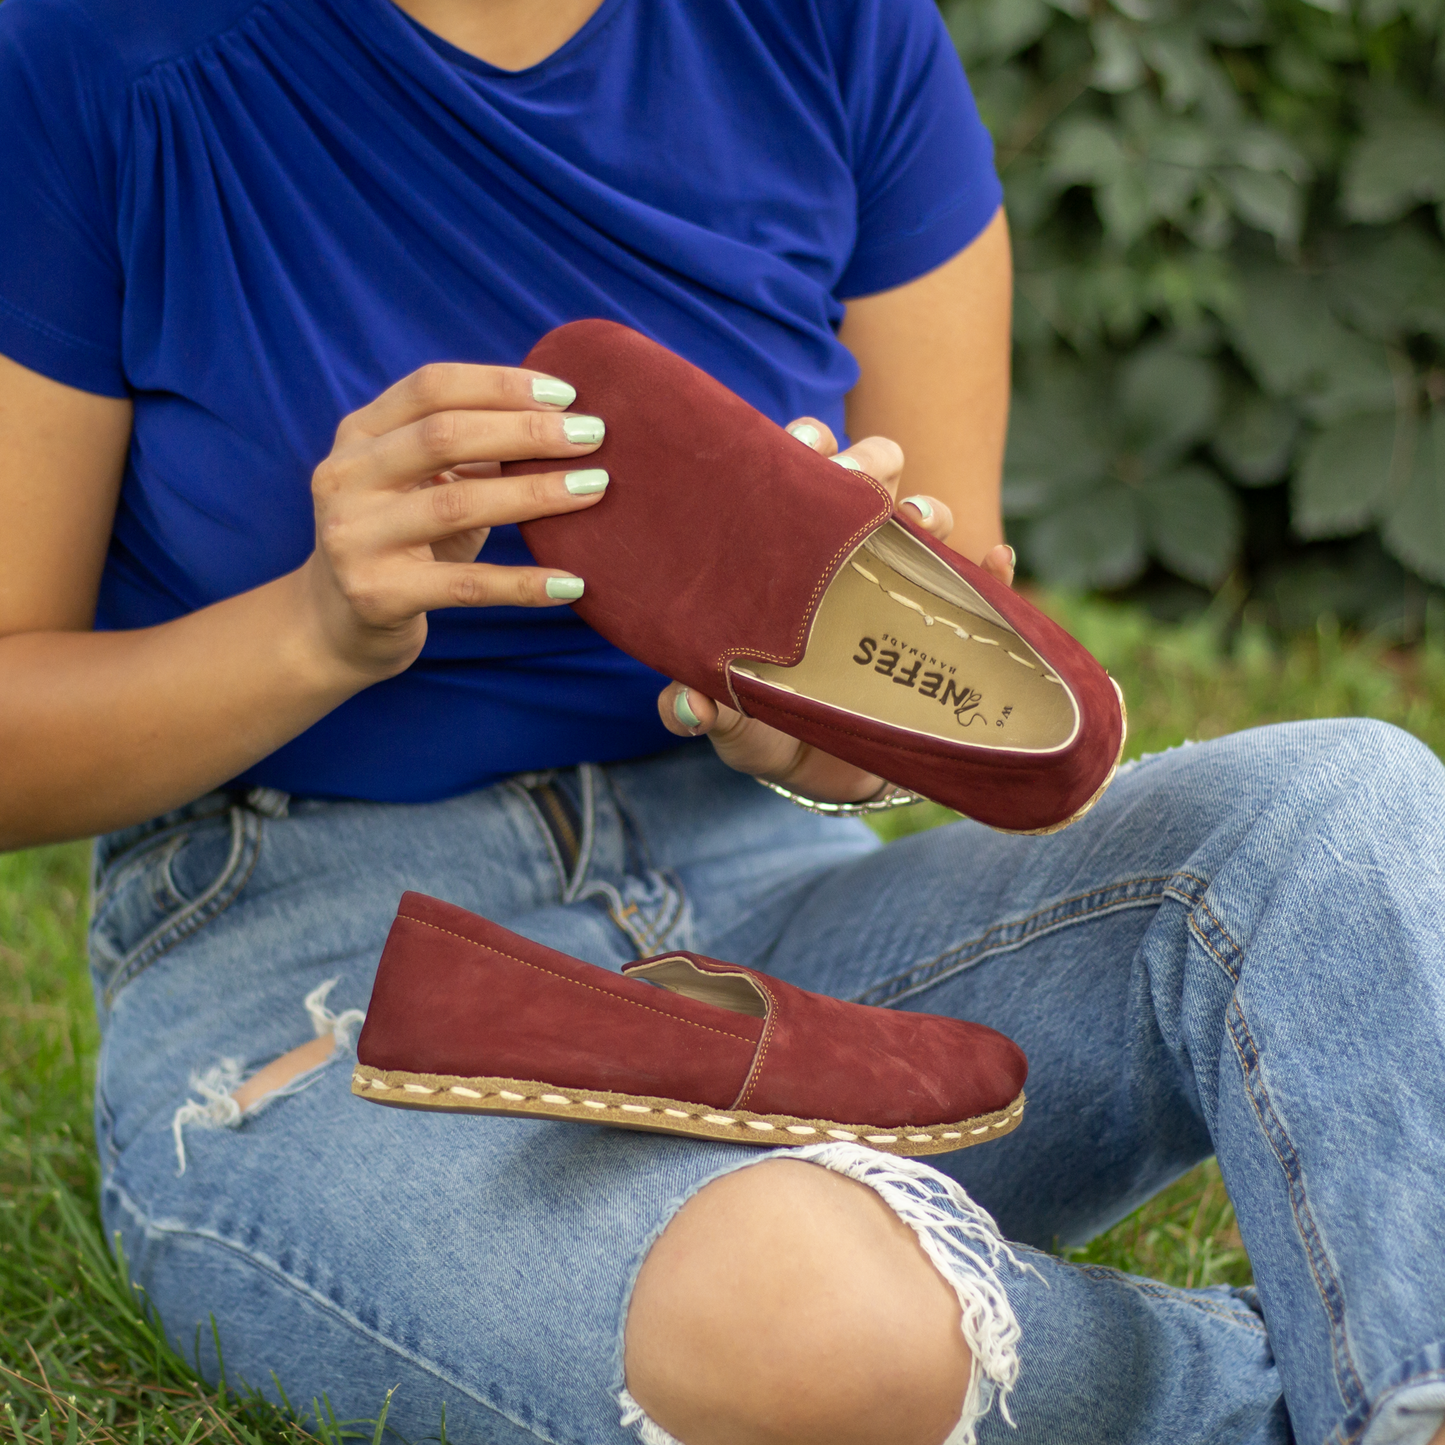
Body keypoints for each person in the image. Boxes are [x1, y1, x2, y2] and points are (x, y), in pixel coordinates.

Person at [1, 0, 1442, 1441]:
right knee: (810, 1325)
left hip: (772, 915)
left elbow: (961, 699)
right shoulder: (99, 57)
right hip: (323, 981)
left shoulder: (834, 29)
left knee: (1345, 803)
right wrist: (311, 628)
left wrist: (825, 734)